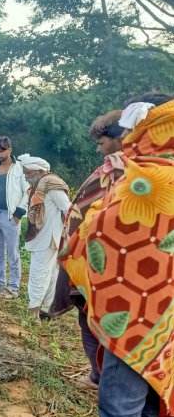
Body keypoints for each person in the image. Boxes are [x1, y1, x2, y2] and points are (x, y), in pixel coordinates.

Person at [65, 93, 174, 417]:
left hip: (134, 314)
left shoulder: (144, 178)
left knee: (118, 406)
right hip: (164, 315)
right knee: (145, 400)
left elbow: (99, 232)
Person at [53, 111, 127, 390]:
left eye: (101, 143)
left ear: (120, 138)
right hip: (112, 264)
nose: (98, 149)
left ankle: (101, 378)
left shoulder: (116, 171)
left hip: (98, 262)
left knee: (91, 319)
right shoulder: (137, 169)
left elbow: (91, 216)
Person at [18, 154, 71, 321]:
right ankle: (48, 309)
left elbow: (67, 208)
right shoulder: (39, 184)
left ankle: (33, 311)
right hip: (44, 237)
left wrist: (68, 233)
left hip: (49, 237)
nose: (26, 176)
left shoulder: (52, 185)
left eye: (27, 173)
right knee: (50, 273)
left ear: (37, 171)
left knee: (39, 273)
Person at [0, 136, 30, 299]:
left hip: (10, 216)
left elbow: (28, 192)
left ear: (9, 150)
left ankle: (13, 287)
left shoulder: (19, 169)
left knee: (13, 253)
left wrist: (19, 213)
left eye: (1, 151)